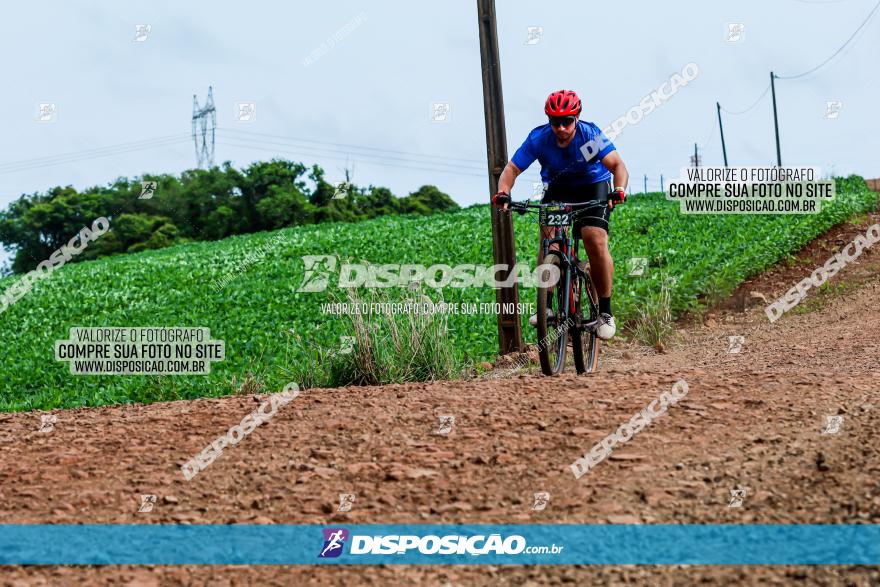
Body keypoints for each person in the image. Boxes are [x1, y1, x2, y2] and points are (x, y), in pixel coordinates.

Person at [491, 89, 629, 340]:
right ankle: (546, 305)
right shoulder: (539, 138)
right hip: (559, 189)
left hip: (593, 186)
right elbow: (512, 169)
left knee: (593, 237)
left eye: (567, 121)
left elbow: (618, 166)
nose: (562, 128)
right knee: (549, 241)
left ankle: (605, 312)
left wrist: (618, 190)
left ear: (577, 118)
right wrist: (503, 192)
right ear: (549, 121)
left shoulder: (590, 136)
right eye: (556, 122)